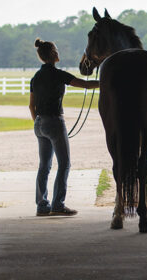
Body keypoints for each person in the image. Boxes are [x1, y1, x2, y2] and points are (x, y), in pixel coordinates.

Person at [29, 38, 99, 216]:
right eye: (56, 50)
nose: (58, 52)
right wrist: (107, 83)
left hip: (39, 123)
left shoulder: (36, 77)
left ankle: (42, 206)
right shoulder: (59, 74)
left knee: (44, 165)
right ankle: (58, 205)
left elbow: (31, 106)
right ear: (52, 54)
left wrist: (39, 122)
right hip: (54, 122)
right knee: (64, 163)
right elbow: (85, 84)